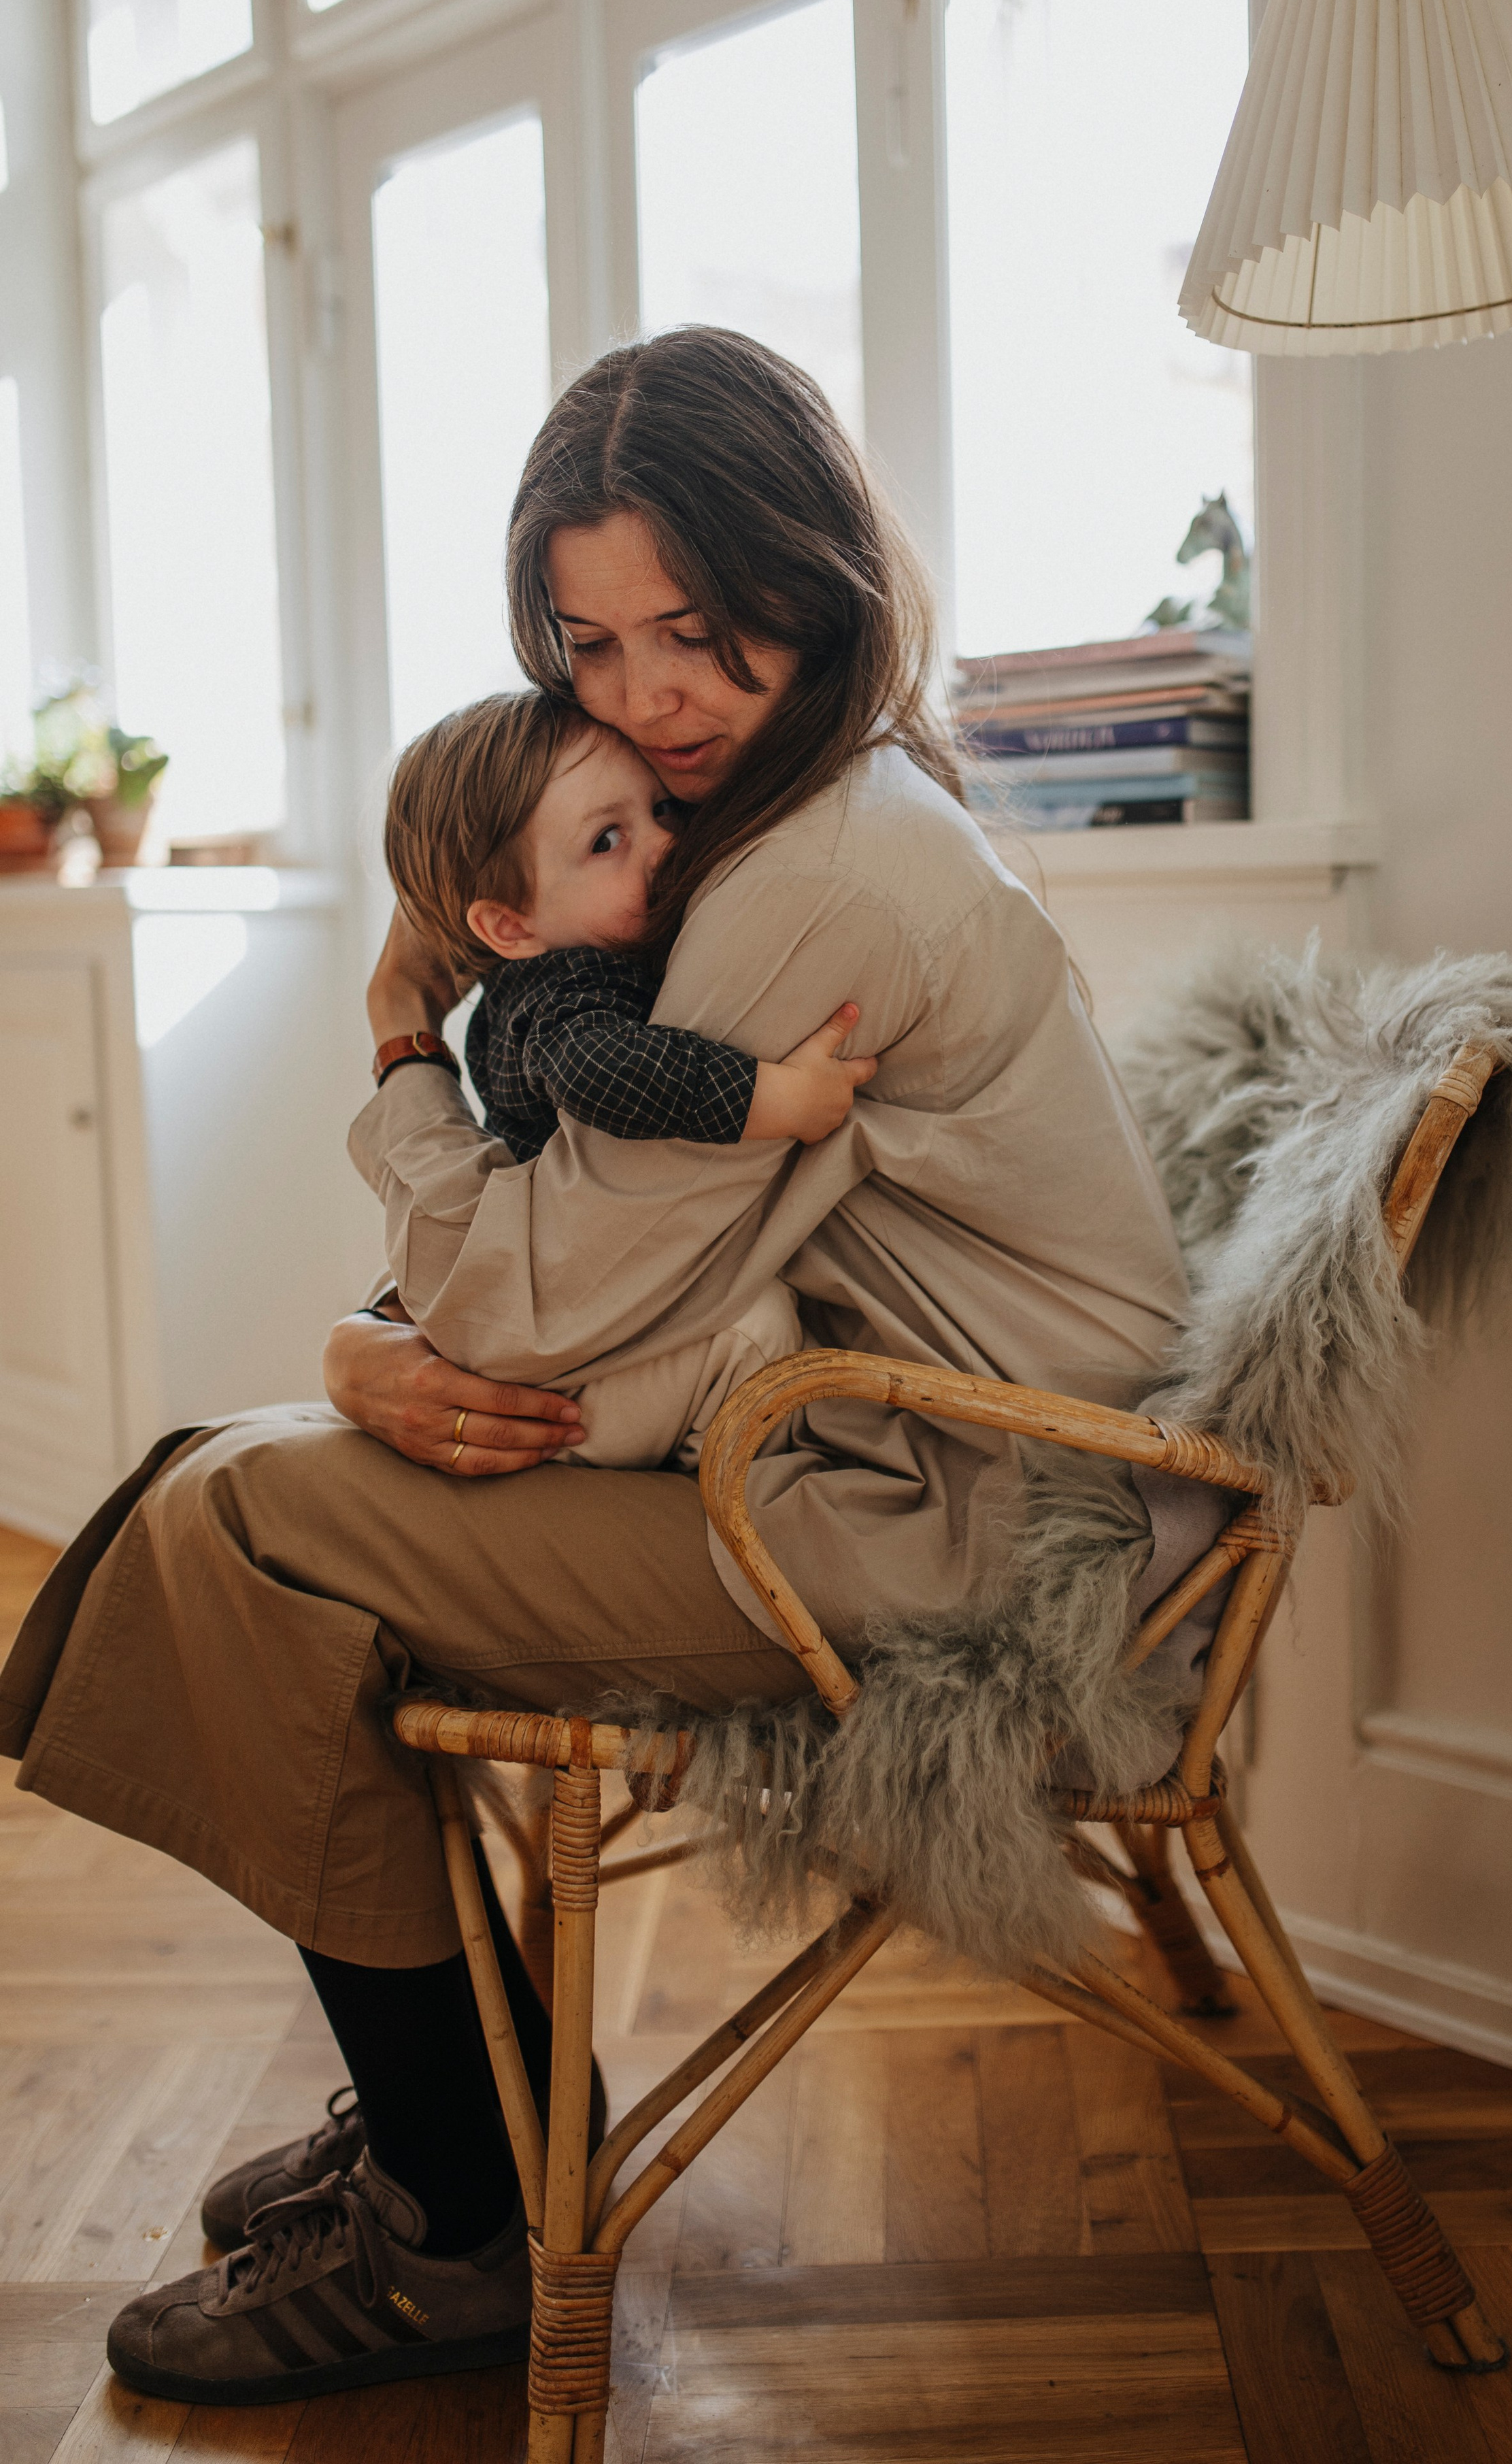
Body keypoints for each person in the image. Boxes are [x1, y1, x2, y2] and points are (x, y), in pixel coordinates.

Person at [0, 326, 1208, 2408]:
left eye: (699, 629)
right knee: (247, 1475)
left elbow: (541, 1312)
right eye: (588, 638)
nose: (644, 700)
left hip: (967, 1518)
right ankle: (453, 2119)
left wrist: (395, 1072)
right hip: (871, 1453)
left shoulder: (809, 876)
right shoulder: (810, 809)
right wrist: (373, 1356)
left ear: (813, 579)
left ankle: (451, 2214)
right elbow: (584, 1275)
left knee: (248, 1521)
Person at [378, 687, 877, 1470]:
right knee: (756, 1329)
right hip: (575, 1394)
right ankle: (682, 1482)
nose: (663, 843)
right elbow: (598, 1068)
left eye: (661, 810)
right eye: (606, 840)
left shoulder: (553, 966)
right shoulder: (568, 988)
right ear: (511, 925)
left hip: (577, 1345)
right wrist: (772, 1096)